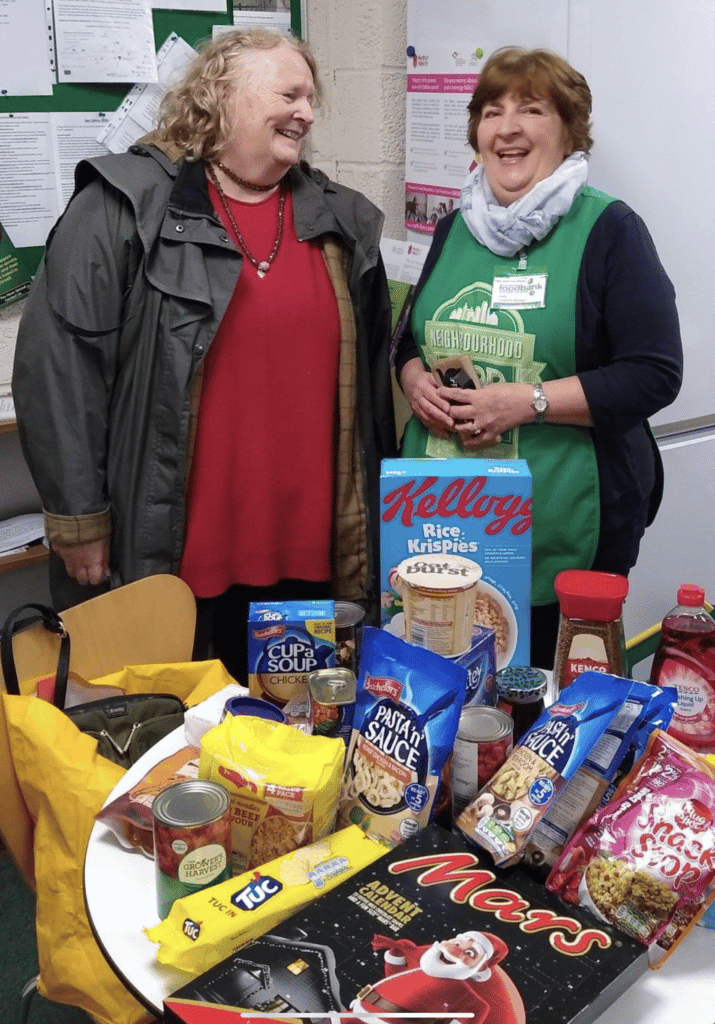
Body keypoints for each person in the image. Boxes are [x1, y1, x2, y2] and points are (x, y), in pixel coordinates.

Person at [12, 29, 397, 679]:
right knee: (174, 746)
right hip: (170, 556)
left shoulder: (341, 223)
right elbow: (60, 366)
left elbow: (368, 399)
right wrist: (79, 521)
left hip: (311, 558)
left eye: (311, 98)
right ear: (219, 94)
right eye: (288, 93)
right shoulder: (124, 204)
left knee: (289, 748)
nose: (306, 111)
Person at [394, 47, 682, 668]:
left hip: (567, 524)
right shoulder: (455, 225)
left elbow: (655, 373)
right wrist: (413, 376)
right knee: (449, 690)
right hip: (449, 515)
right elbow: (410, 337)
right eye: (492, 111)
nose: (508, 127)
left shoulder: (609, 230)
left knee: (550, 706)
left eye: (532, 109)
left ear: (570, 131)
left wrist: (527, 402)